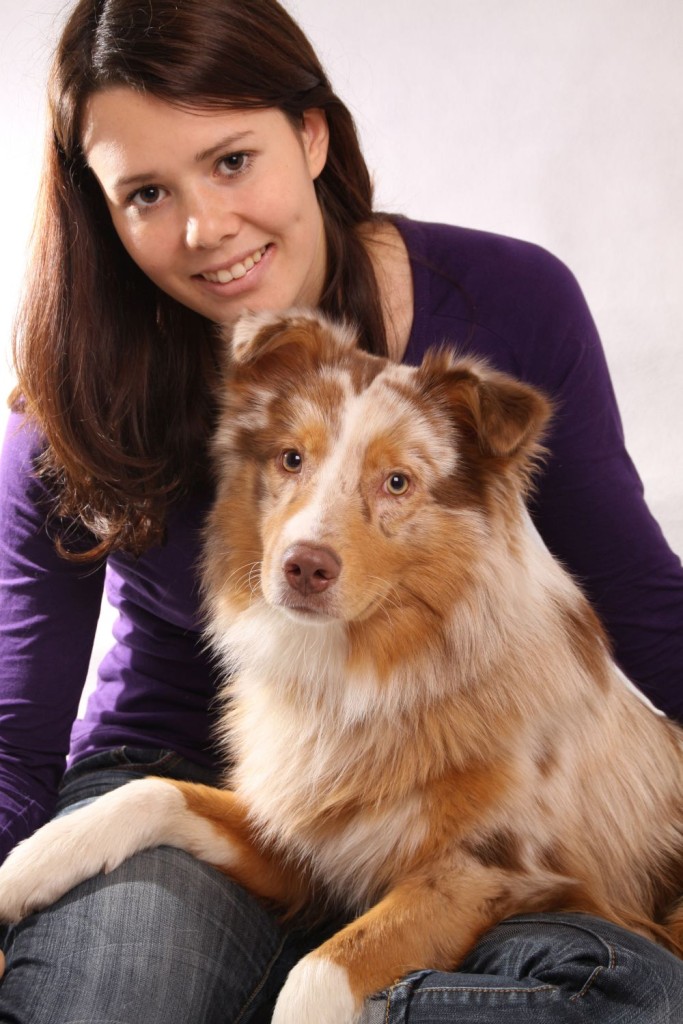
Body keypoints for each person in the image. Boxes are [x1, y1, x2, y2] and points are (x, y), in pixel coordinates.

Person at [0, 0, 682, 1020]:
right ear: (102, 208)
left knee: (604, 988)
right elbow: (14, 740)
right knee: (107, 998)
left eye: (231, 160)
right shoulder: (76, 402)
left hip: (453, 779)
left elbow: (639, 602)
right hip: (186, 771)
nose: (204, 228)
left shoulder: (509, 300)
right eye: (146, 191)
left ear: (310, 132)